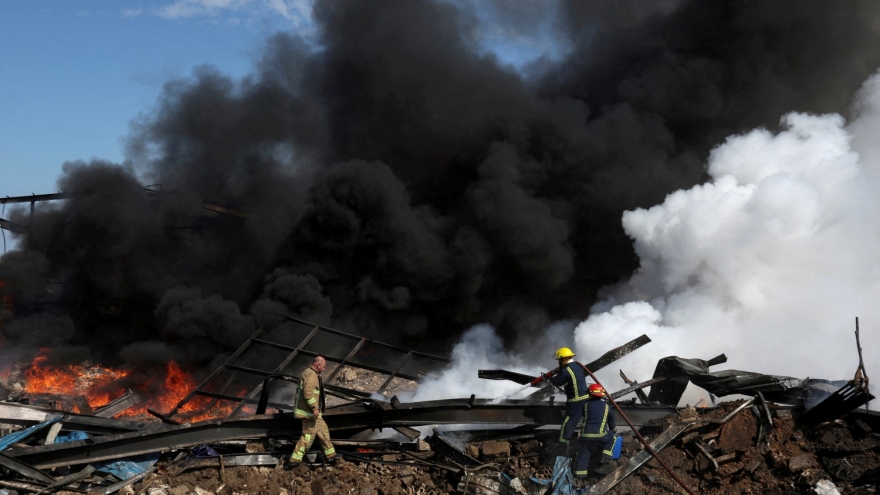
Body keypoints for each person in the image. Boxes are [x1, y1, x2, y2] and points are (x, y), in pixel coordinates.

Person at [287, 356, 337, 468]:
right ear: (318, 365)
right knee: (308, 436)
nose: (324, 369)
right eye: (323, 367)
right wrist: (315, 407)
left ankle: (331, 456)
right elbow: (308, 393)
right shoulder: (311, 375)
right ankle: (294, 460)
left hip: (314, 413)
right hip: (309, 413)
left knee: (323, 431)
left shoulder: (310, 373)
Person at [573, 384, 617, 480]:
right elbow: (612, 421)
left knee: (583, 453)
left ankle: (579, 476)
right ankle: (606, 456)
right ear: (601, 394)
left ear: (590, 394)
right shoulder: (606, 407)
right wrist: (613, 430)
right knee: (612, 437)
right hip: (600, 435)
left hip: (585, 436)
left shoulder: (585, 405)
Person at [548, 347, 591, 445]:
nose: (558, 362)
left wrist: (553, 375)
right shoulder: (576, 366)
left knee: (568, 423)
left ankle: (564, 444)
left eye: (559, 360)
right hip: (586, 398)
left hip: (576, 401)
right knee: (589, 421)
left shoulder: (566, 370)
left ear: (564, 359)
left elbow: (557, 381)